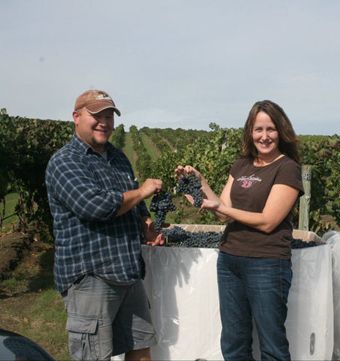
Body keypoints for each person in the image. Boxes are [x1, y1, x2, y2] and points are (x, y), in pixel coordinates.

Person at [176, 100, 304, 361]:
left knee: (272, 345)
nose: (264, 136)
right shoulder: (241, 165)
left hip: (267, 263)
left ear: (281, 131)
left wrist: (220, 207)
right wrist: (201, 186)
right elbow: (223, 211)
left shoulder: (287, 168)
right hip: (230, 261)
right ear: (250, 131)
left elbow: (269, 221)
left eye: (271, 129)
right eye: (258, 129)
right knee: (234, 344)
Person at [45, 89, 164, 361]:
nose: (104, 122)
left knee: (141, 350)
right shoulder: (64, 162)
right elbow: (95, 206)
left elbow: (134, 203)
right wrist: (143, 191)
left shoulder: (118, 158)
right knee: (94, 356)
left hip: (127, 273)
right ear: (76, 117)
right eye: (96, 115)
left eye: (109, 116)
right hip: (91, 277)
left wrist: (145, 224)